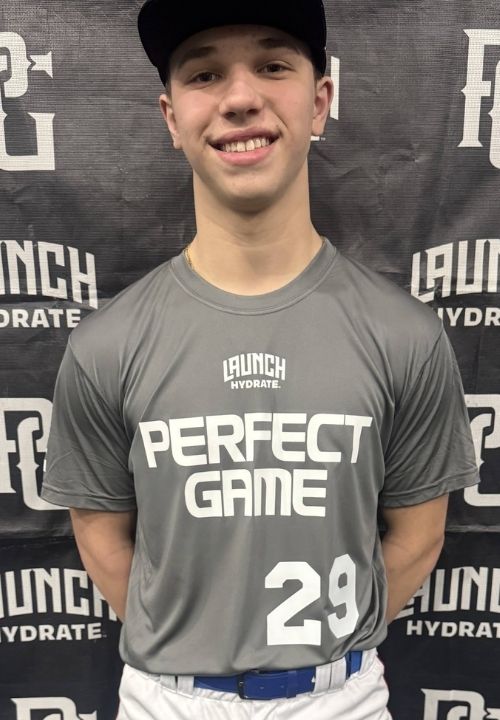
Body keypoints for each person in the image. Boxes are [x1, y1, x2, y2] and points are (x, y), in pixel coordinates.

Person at [41, 1, 480, 718]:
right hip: (167, 700)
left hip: (341, 698)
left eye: (273, 66)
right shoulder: (105, 345)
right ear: (171, 117)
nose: (241, 97)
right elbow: (102, 539)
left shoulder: (405, 334)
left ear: (320, 100)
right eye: (204, 74)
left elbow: (417, 536)